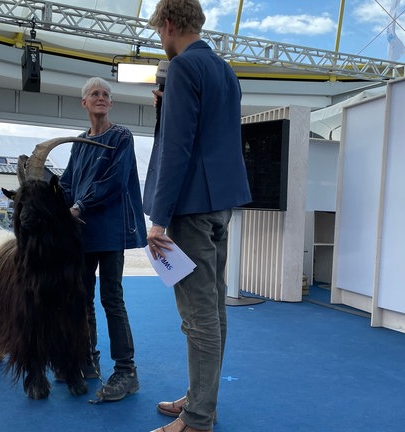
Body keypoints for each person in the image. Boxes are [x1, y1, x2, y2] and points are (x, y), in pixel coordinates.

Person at [144, 1, 252, 431]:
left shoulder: (184, 69)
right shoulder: (225, 70)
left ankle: (198, 418)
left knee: (198, 314)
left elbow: (177, 149)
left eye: (159, 32)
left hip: (189, 207)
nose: (161, 40)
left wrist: (159, 219)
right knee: (214, 309)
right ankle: (201, 398)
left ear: (169, 25)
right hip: (219, 205)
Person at [58, 76, 147, 402]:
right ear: (84, 102)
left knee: (112, 300)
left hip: (110, 233)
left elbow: (114, 182)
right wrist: (48, 197)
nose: (101, 98)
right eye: (94, 94)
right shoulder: (80, 142)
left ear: (110, 103)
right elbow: (68, 183)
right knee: (81, 301)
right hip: (82, 234)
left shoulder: (121, 136)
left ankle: (126, 371)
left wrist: (79, 205)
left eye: (106, 94)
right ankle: (88, 360)